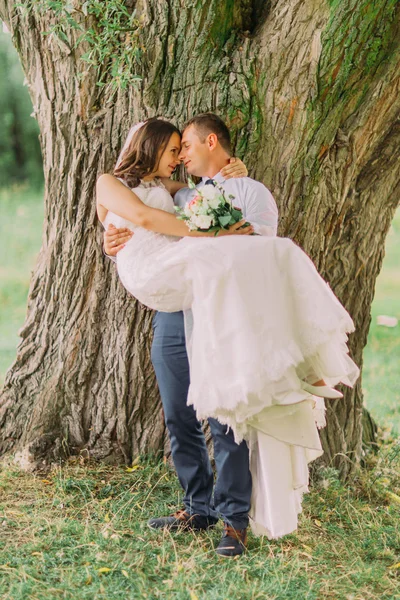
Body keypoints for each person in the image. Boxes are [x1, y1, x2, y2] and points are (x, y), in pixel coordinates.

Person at [97, 114, 359, 557]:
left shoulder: (185, 191)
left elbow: (200, 201)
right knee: (180, 412)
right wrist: (111, 235)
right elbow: (138, 215)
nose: (180, 158)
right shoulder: (115, 182)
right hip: (172, 307)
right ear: (152, 146)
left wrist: (230, 171)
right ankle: (195, 506)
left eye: (185, 149)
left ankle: (233, 518)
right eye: (174, 149)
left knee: (224, 410)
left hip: (213, 304)